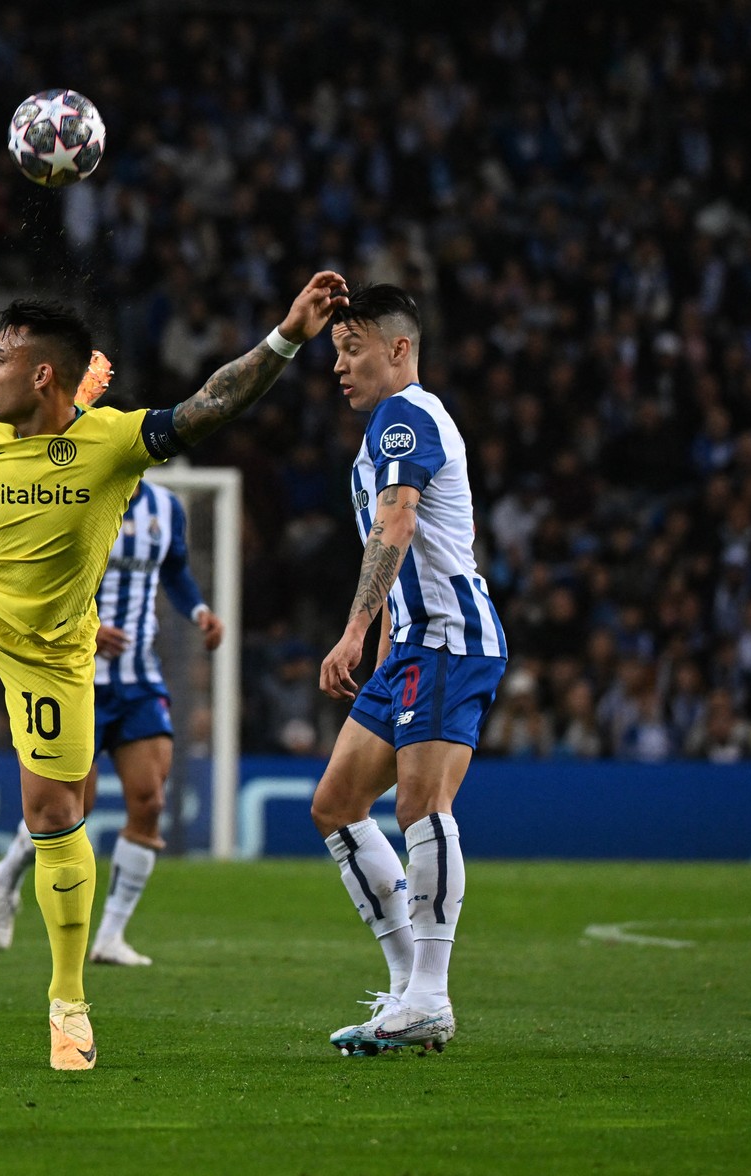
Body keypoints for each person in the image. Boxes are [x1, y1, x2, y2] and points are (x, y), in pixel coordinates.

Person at [0, 273, 347, 1070]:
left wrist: (289, 335)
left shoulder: (113, 444)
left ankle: (68, 1002)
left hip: (46, 655)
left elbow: (214, 403)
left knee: (54, 814)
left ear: (42, 374)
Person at [310, 283, 507, 1057]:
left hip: (449, 639)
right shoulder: (390, 428)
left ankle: (430, 994)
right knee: (335, 803)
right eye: (333, 351)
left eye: (351, 348)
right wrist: (385, 636)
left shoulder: (406, 415)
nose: (338, 366)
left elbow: (400, 523)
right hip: (413, 642)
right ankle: (406, 990)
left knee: (423, 806)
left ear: (398, 349)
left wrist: (354, 629)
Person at [0, 478, 225, 967]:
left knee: (150, 800)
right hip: (76, 678)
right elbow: (37, 577)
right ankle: (6, 872)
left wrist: (198, 610)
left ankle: (110, 937)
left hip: (138, 680)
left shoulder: (165, 506)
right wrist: (88, 625)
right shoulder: (74, 496)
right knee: (70, 809)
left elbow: (174, 569)